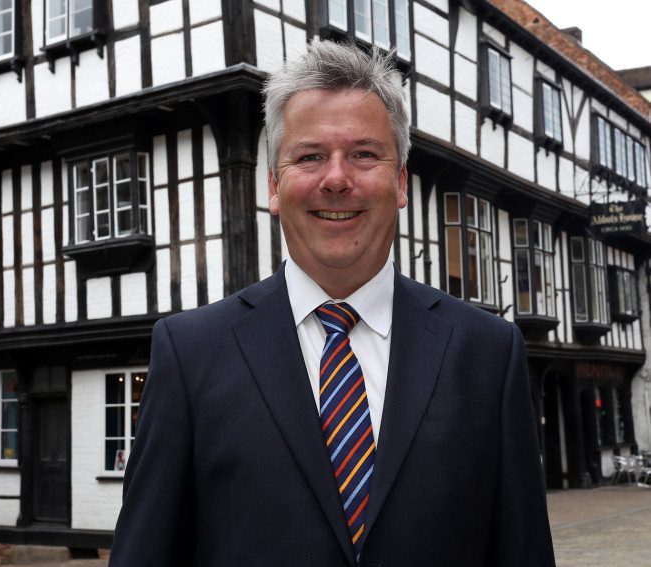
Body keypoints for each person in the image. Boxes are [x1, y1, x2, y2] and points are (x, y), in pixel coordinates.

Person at [109, 41, 555, 567]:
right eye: (310, 156)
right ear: (275, 186)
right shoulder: (190, 352)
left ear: (401, 182)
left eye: (364, 154)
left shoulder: (488, 351)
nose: (337, 179)